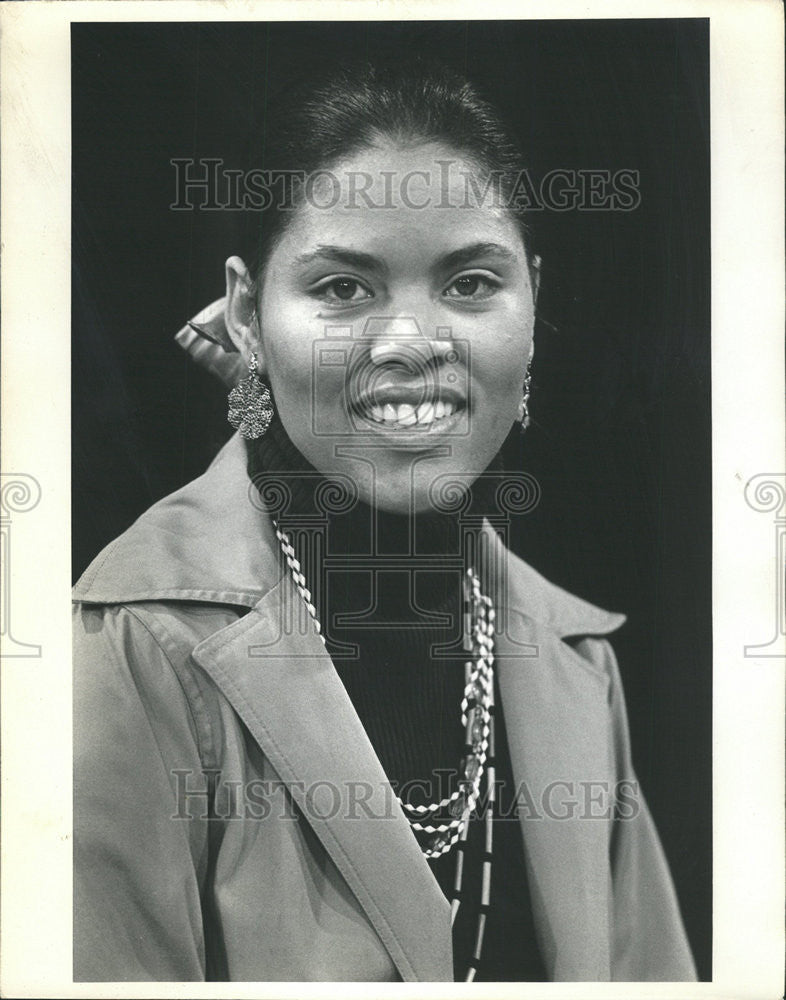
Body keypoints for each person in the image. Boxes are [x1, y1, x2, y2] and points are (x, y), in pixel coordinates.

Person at [73, 58, 697, 982]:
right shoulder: (135, 647)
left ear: (535, 302)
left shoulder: (575, 663)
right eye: (342, 290)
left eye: (472, 284)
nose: (414, 342)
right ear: (247, 315)